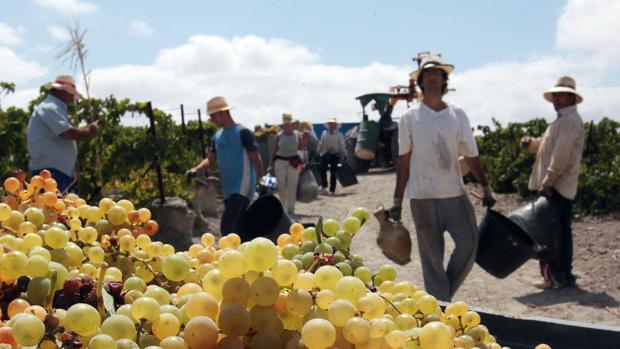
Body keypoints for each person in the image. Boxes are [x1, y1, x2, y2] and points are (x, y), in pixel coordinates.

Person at [388, 54, 495, 301]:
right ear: (421, 82)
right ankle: (440, 308)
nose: (433, 79)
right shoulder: (409, 118)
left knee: (469, 244)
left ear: (444, 81)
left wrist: (486, 187)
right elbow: (404, 161)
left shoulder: (457, 115)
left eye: (438, 75)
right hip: (421, 197)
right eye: (428, 75)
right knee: (432, 258)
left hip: (454, 194)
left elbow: (471, 155)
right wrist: (397, 201)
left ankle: (441, 298)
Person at [521, 76, 584, 289]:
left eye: (561, 94)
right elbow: (550, 148)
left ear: (571, 98)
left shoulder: (568, 122)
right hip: (559, 187)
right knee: (560, 233)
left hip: (556, 187)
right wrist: (532, 144)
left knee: (551, 235)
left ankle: (556, 277)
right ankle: (563, 276)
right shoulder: (563, 121)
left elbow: (560, 159)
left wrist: (546, 183)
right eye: (555, 94)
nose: (556, 98)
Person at [187, 96, 264, 238]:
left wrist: (261, 180)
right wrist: (195, 171)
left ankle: (228, 256)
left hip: (243, 186)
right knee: (238, 227)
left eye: (213, 115)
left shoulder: (243, 132)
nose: (211, 119)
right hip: (228, 189)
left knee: (228, 226)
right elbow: (210, 160)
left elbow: (256, 158)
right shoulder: (217, 136)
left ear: (224, 113)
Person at [27, 75, 99, 193]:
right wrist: (89, 132)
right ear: (62, 92)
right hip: (51, 171)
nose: (72, 99)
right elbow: (66, 133)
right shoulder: (50, 107)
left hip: (55, 170)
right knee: (51, 205)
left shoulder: (52, 108)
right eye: (71, 94)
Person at [270, 113, 305, 215]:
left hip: (294, 161)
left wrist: (302, 163)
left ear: (292, 124)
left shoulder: (298, 135)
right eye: (285, 123)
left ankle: (291, 208)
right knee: (281, 186)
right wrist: (271, 164)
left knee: (292, 185)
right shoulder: (278, 136)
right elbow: (275, 150)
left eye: (289, 123)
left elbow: (302, 149)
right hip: (280, 161)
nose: (287, 125)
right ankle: (283, 208)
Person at [317, 118, 345, 196]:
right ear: (328, 125)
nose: (332, 125)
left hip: (335, 155)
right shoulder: (324, 133)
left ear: (336, 125)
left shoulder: (339, 135)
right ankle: (324, 186)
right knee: (322, 171)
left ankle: (332, 190)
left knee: (333, 173)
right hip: (325, 154)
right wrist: (318, 151)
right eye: (330, 124)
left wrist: (343, 155)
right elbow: (321, 143)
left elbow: (342, 145)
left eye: (333, 124)